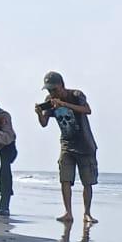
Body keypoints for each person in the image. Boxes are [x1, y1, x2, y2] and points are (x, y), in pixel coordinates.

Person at [35, 71, 96, 227]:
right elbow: (44, 123)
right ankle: (68, 212)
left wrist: (64, 104)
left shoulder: (76, 95)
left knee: (87, 181)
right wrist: (39, 113)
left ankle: (87, 213)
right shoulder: (50, 100)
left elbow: (87, 110)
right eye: (49, 90)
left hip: (85, 144)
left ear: (61, 85)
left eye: (54, 89)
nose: (52, 93)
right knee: (65, 179)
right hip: (67, 144)